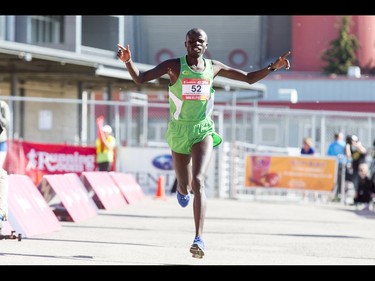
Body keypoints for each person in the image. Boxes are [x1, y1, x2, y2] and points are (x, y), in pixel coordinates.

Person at [117, 27, 291, 258]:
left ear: (206, 46)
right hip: (179, 131)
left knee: (198, 181)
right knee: (185, 186)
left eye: (200, 41)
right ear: (185, 44)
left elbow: (248, 79)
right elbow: (140, 79)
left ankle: (198, 238)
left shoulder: (214, 67)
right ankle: (182, 189)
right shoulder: (173, 66)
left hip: (203, 130)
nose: (196, 44)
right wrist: (128, 62)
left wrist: (272, 67)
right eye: (192, 41)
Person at [0, 100, 10, 234]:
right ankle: (0, 214)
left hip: (1, 143)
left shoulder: (3, 105)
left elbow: (5, 124)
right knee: (1, 176)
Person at [326, 132, 346, 199]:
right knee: (335, 179)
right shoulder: (335, 145)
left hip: (340, 164)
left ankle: (338, 194)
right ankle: (334, 194)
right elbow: (328, 154)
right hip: (335, 164)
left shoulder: (342, 144)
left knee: (340, 180)